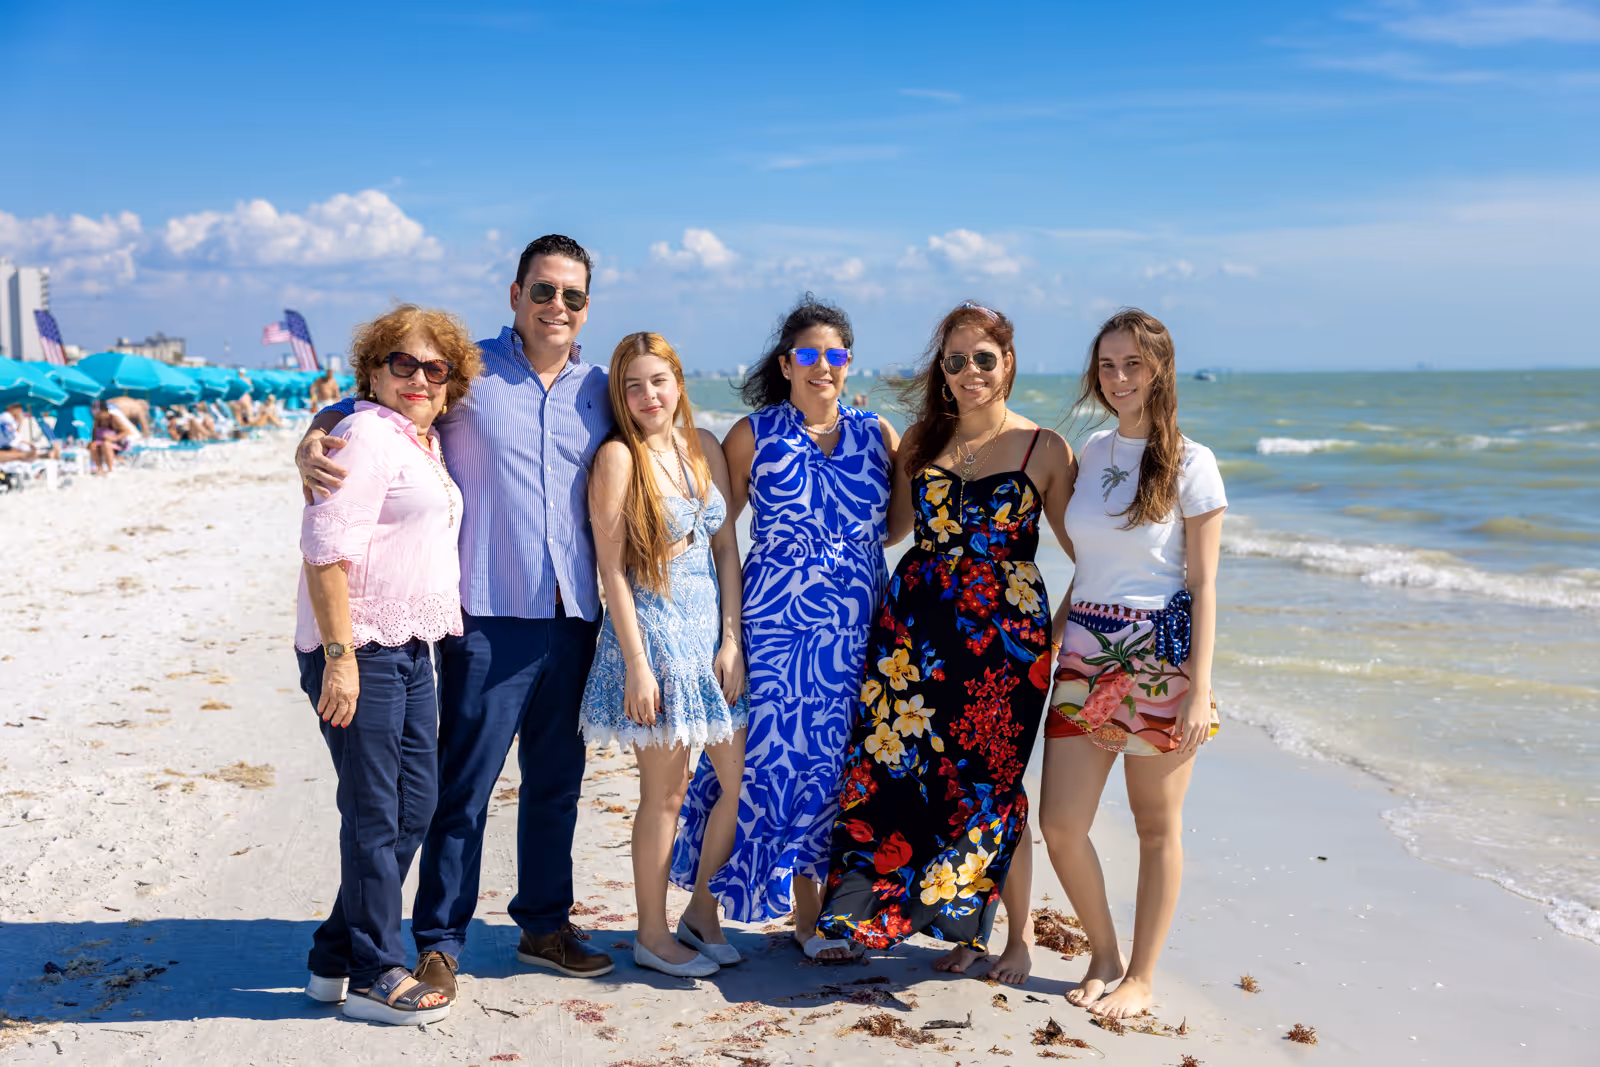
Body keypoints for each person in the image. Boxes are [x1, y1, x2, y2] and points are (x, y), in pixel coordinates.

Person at [296, 235, 616, 998]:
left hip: (574, 617)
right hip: (483, 619)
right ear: (515, 294)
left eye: (572, 296)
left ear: (587, 306)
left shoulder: (600, 388)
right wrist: (309, 436)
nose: (557, 307)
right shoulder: (460, 370)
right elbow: (367, 408)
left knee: (556, 783)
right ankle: (440, 938)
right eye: (543, 291)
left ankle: (544, 924)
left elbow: (664, 430)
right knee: (460, 789)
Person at [815, 302, 1075, 983]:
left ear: (1007, 363)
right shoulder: (920, 444)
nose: (969, 373)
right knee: (896, 777)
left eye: (983, 359)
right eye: (955, 361)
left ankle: (1016, 939)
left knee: (993, 787)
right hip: (913, 638)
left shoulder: (1044, 448)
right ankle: (918, 923)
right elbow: (891, 530)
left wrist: (1053, 632)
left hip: (1006, 652)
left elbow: (1094, 555)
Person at [672, 296, 899, 962]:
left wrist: (848, 554)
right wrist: (725, 633)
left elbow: (898, 522)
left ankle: (808, 916)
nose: (821, 365)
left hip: (855, 636)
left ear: (848, 362)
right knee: (763, 768)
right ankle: (702, 911)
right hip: (776, 633)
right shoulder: (755, 434)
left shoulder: (877, 433)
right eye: (808, 354)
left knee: (831, 771)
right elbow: (717, 536)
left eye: (834, 354)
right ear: (786, 363)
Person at [294, 303, 482, 1025]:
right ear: (374, 369)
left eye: (435, 369)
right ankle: (378, 969)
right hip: (360, 648)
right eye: (402, 362)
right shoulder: (365, 433)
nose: (420, 378)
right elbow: (324, 547)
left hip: (410, 646)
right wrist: (340, 659)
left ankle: (332, 956)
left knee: (415, 804)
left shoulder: (418, 440)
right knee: (375, 811)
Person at [1039, 308, 1226, 1019]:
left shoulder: (1193, 464)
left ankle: (1141, 978)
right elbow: (1091, 565)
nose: (1119, 378)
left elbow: (1204, 584)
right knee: (1060, 822)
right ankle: (1105, 953)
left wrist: (1198, 689)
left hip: (1159, 662)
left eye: (1133, 365)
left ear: (1160, 370)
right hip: (1086, 652)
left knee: (1156, 826)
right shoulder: (1091, 453)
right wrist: (1052, 636)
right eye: (1108, 365)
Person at [580, 333, 750, 977]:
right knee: (665, 794)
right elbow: (612, 572)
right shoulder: (618, 459)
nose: (648, 396)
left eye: (658, 381)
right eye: (632, 385)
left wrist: (731, 640)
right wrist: (638, 664)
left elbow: (726, 551)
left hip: (708, 635)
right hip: (654, 636)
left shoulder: (703, 445)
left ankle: (701, 910)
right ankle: (650, 935)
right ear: (619, 397)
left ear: (678, 382)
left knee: (743, 782)